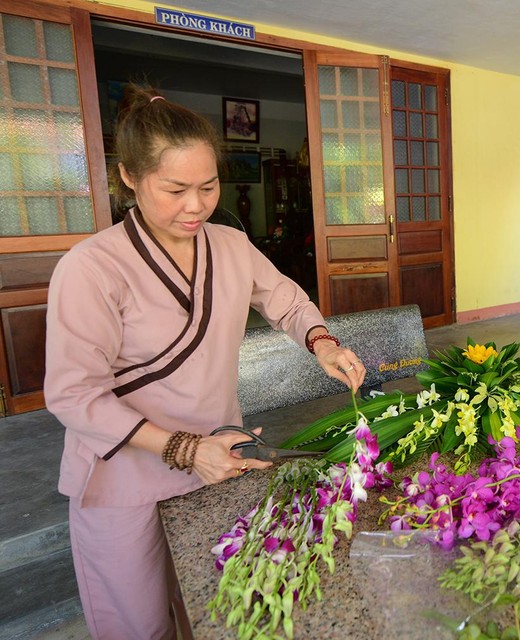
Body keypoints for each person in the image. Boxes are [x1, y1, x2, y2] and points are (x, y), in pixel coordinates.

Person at [44, 85, 366, 640]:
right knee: (138, 624)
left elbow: (286, 300)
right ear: (129, 178)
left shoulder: (231, 245)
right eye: (174, 189)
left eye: (208, 186)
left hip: (221, 456)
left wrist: (323, 344)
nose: (195, 206)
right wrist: (184, 449)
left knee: (217, 608)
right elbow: (75, 396)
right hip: (128, 472)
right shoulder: (90, 268)